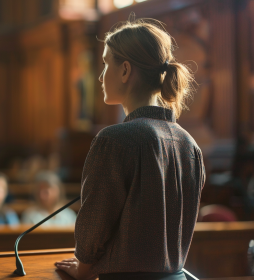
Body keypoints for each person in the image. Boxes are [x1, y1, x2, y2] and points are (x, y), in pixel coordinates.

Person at [55, 18, 205, 280]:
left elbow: (93, 229)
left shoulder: (115, 140)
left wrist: (83, 269)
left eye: (105, 64)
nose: (101, 76)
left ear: (125, 70)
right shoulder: (189, 144)